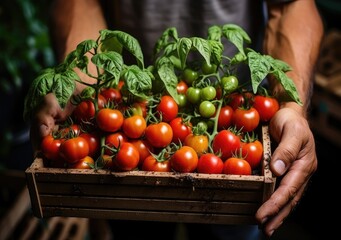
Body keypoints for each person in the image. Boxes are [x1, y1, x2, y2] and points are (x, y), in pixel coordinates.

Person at [30, 0, 323, 239]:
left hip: (238, 118)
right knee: (135, 228)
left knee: (235, 227)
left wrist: (290, 104)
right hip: (131, 113)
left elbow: (291, 5)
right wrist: (81, 81)